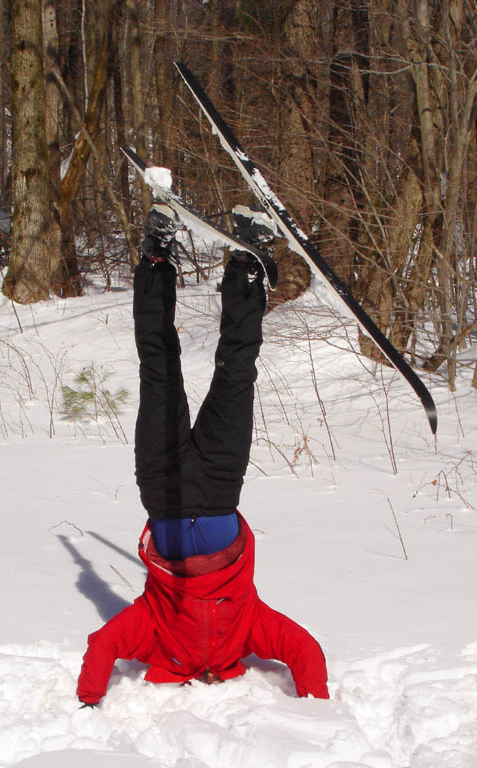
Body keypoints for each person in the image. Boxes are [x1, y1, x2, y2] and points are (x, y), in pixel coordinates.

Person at [76, 205, 329, 706]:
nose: (210, 681)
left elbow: (103, 646)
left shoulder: (155, 638)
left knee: (159, 367)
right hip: (217, 486)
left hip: (163, 486)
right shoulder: (249, 630)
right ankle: (247, 264)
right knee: (237, 370)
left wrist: (88, 702)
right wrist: (317, 708)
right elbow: (304, 650)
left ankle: (155, 259)